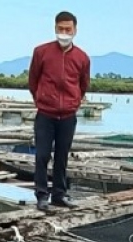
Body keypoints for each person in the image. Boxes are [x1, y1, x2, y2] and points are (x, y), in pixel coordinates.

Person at [27, 11, 90, 212]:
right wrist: (41, 100)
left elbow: (83, 84)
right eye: (60, 29)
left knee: (62, 156)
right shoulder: (41, 52)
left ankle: (59, 195)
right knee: (43, 155)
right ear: (55, 28)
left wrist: (73, 103)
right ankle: (41, 195)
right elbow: (33, 80)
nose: (64, 33)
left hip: (68, 116)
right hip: (46, 114)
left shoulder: (82, 58)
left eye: (68, 29)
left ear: (75, 30)